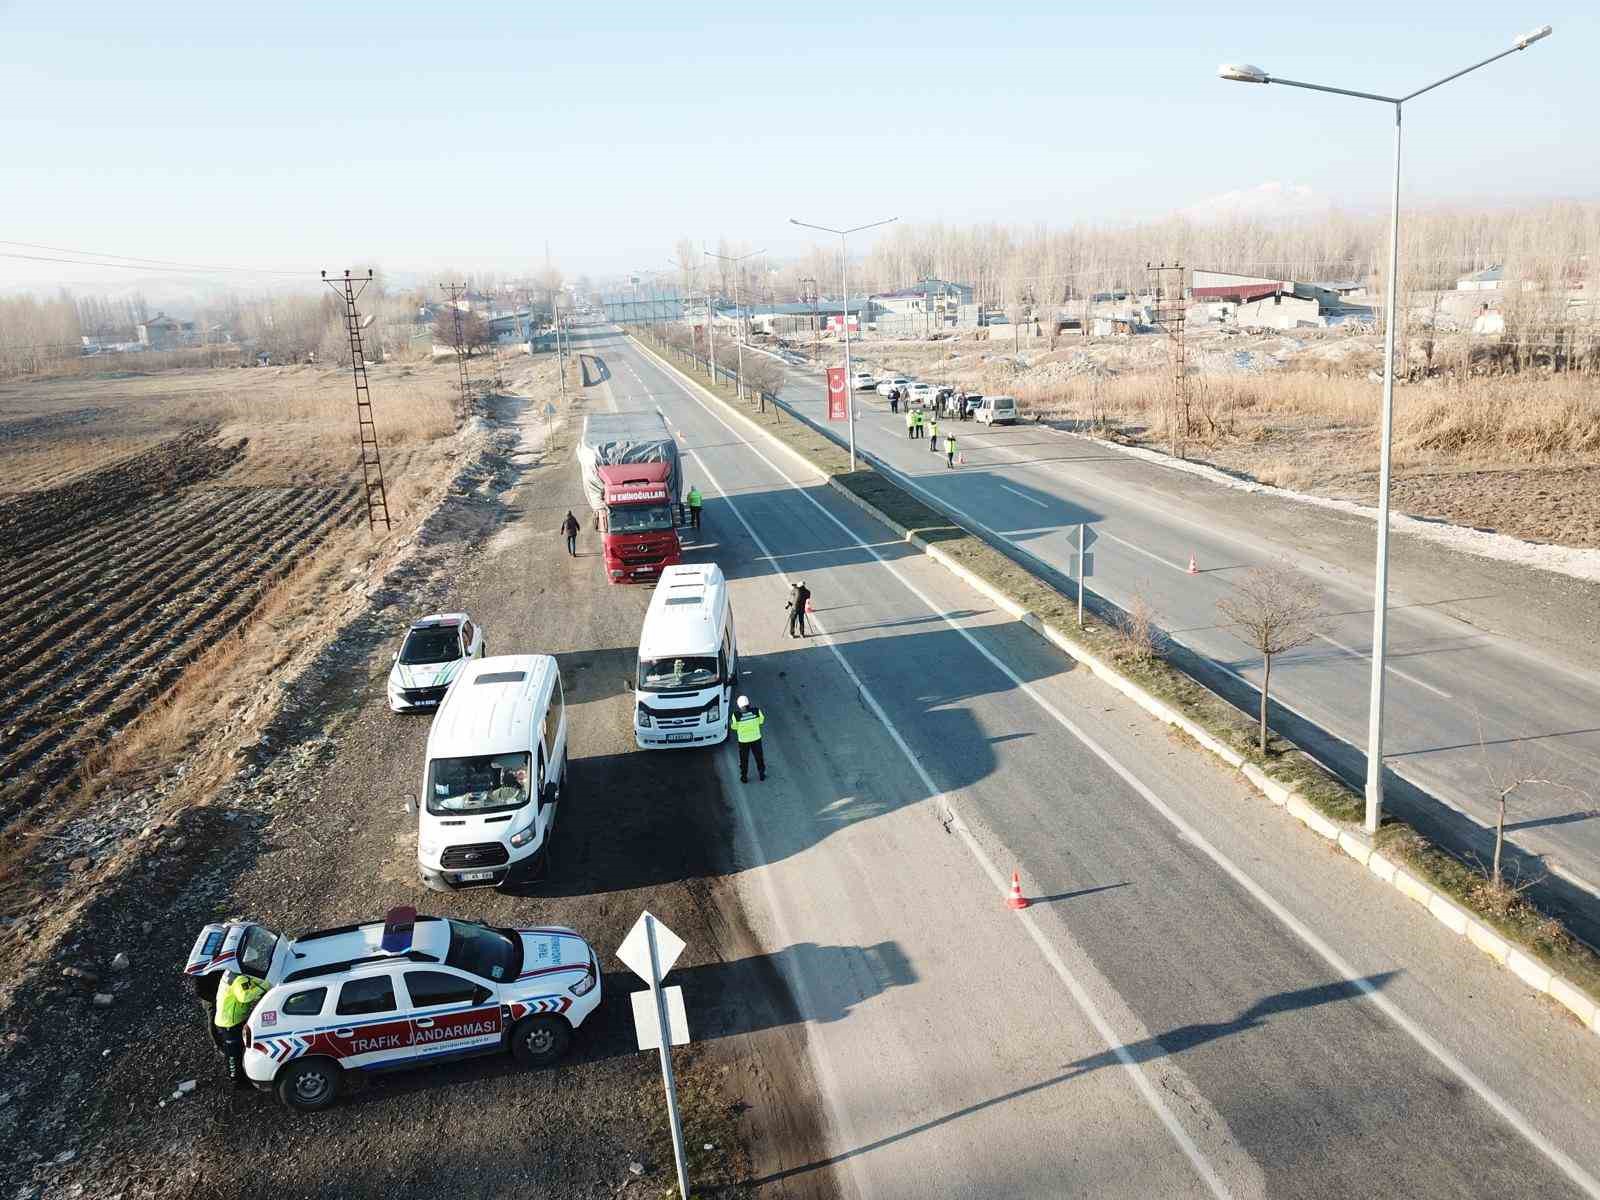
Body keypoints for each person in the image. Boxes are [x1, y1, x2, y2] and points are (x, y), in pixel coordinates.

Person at [213, 971, 269, 1088]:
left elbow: (252, 981)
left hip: (232, 1019)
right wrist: (266, 985)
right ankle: (236, 1080)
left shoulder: (232, 972)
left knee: (239, 1048)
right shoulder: (239, 979)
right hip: (230, 1022)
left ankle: (240, 1075)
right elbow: (245, 996)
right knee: (233, 1052)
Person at [729, 695, 766, 782]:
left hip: (743, 741)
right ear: (748, 703)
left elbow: (734, 727)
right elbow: (761, 721)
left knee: (744, 759)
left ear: (739, 705)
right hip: (756, 739)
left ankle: (744, 777)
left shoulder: (736, 715)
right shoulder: (756, 711)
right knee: (759, 757)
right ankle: (761, 774)